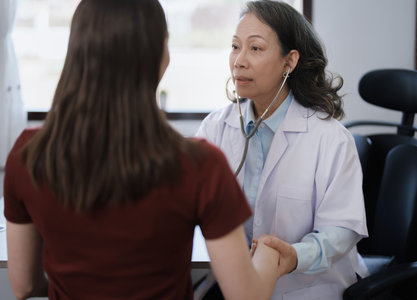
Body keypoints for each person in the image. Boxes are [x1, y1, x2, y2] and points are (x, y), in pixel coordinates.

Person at [3, 0, 284, 299]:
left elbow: (24, 285)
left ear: (77, 51)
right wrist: (268, 253)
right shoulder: (201, 165)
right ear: (161, 56)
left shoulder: (28, 154)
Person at [196, 0, 368, 299]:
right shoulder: (215, 128)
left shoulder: (330, 139)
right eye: (235, 47)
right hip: (236, 285)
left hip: (307, 288)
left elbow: (341, 230)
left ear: (289, 62)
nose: (239, 60)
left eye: (256, 48)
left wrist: (294, 255)